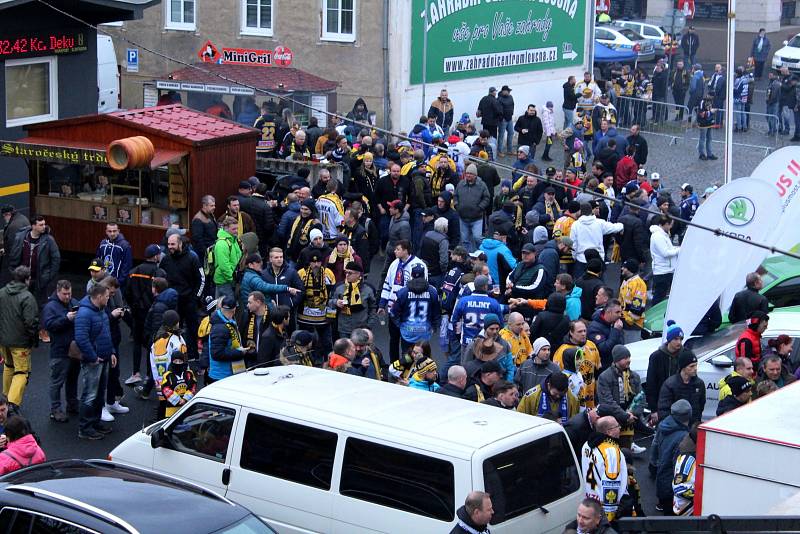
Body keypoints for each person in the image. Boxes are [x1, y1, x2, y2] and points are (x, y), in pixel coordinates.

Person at [7, 215, 60, 342]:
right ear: (33, 226)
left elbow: (56, 259)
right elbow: (14, 254)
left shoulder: (48, 240)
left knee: (41, 305)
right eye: (40, 224)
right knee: (21, 304)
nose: (44, 227)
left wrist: (48, 276)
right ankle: (22, 330)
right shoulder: (21, 237)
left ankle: (42, 331)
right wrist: (14, 273)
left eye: (44, 224)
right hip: (22, 279)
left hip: (39, 278)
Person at [74, 283, 116, 440]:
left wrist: (111, 351)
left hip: (103, 358)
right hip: (94, 361)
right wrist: (92, 357)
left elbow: (106, 333)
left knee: (99, 393)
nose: (108, 298)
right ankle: (85, 428)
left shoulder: (100, 310)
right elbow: (81, 339)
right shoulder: (85, 314)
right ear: (98, 297)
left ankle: (95, 423)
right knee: (90, 394)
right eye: (106, 296)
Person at [124, 245, 165, 385]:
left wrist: (133, 306)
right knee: (151, 344)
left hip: (137, 312)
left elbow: (127, 293)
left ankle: (135, 373)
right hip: (152, 313)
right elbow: (162, 293)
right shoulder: (159, 272)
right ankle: (149, 375)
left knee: (137, 342)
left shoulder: (134, 272)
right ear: (155, 256)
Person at [379, 240, 426, 362]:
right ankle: (393, 365)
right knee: (393, 339)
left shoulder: (418, 266)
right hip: (393, 311)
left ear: (406, 250)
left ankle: (406, 367)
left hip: (408, 313)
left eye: (398, 249)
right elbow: (387, 285)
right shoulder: (394, 264)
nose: (395, 251)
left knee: (407, 343)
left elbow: (421, 290)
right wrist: (382, 304)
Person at [41, 279, 80, 422]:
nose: (68, 297)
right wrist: (66, 318)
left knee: (72, 379)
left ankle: (72, 404)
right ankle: (55, 410)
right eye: (64, 294)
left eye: (69, 293)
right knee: (57, 382)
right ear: (58, 292)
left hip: (74, 350)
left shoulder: (73, 302)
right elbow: (50, 325)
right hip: (60, 350)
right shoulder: (50, 307)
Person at [0, 266, 39, 408]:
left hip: (3, 341)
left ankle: (4, 398)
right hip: (20, 343)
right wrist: (33, 340)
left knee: (8, 366)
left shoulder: (2, 292)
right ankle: (11, 405)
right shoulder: (27, 298)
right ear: (27, 280)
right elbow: (31, 323)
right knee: (22, 372)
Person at [581, 415, 628, 522]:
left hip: (589, 501)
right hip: (603, 507)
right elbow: (611, 483)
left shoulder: (586, 445)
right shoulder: (611, 451)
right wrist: (609, 515)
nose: (620, 428)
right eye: (617, 426)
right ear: (609, 432)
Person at [652, 399, 692, 515]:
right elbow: (678, 465)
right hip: (671, 485)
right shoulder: (683, 437)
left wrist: (653, 464)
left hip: (661, 477)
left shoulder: (663, 425)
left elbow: (654, 447)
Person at [390, 264, 440, 353]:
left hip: (407, 330)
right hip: (424, 330)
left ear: (411, 275)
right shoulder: (432, 291)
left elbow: (393, 312)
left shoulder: (403, 291)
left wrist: (400, 325)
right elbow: (436, 312)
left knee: (407, 356)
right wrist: (434, 327)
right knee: (423, 356)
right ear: (424, 275)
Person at [297, 251, 336, 362]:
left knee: (327, 342)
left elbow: (332, 295)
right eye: (313, 262)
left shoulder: (328, 273)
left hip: (323, 315)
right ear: (309, 262)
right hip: (305, 315)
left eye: (318, 262)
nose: (316, 265)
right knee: (307, 341)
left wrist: (331, 315)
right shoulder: (301, 273)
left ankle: (329, 363)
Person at [553, 320, 602, 409]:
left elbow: (598, 371)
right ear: (571, 332)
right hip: (572, 400)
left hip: (590, 399)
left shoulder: (591, 345)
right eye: (579, 331)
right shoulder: (562, 351)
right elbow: (557, 377)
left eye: (584, 331)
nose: (583, 334)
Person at [570, 202, 623, 279]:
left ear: (580, 211)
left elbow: (573, 244)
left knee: (580, 285)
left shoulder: (575, 225)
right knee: (598, 284)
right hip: (598, 258)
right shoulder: (599, 222)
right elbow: (614, 227)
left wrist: (574, 256)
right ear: (591, 211)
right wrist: (622, 225)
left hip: (581, 258)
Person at [329, 261, 377, 339]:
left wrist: (369, 325)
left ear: (358, 274)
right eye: (346, 272)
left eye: (350, 273)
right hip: (343, 328)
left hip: (361, 328)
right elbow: (329, 303)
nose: (347, 275)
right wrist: (336, 302)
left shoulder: (368, 289)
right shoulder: (339, 287)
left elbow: (373, 308)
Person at [657, 351, 705, 425]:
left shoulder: (699, 384)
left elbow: (701, 405)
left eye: (696, 365)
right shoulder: (670, 384)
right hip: (674, 427)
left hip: (692, 427)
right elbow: (664, 409)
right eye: (691, 366)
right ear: (683, 368)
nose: (695, 368)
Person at [207, 297, 247, 383]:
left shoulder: (226, 322)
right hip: (221, 376)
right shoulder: (220, 328)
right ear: (234, 309)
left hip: (226, 373)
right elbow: (217, 354)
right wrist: (240, 353)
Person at [455, 164, 490, 252]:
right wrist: (457, 206)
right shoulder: (461, 184)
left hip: (476, 218)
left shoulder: (482, 185)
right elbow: (455, 196)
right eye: (467, 173)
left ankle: (480, 253)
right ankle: (468, 258)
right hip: (463, 218)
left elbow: (486, 198)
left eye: (470, 173)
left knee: (477, 238)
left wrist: (480, 208)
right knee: (465, 240)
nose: (468, 175)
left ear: (475, 175)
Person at [587, 299, 625, 370]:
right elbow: (603, 349)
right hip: (603, 368)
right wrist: (616, 331)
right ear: (608, 312)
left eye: (620, 312)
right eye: (617, 312)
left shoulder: (615, 323)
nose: (620, 315)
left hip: (615, 366)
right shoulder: (594, 327)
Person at [650, 215, 680, 305]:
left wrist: (676, 248)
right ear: (666, 224)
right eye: (671, 225)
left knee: (660, 295)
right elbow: (665, 253)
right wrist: (679, 250)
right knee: (659, 296)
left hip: (666, 270)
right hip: (662, 271)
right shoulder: (658, 236)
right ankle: (653, 314)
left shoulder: (662, 235)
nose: (671, 227)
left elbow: (668, 249)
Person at [212, 216, 242, 300]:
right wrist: (231, 279)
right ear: (226, 228)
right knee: (226, 306)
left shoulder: (233, 240)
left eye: (237, 229)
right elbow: (224, 265)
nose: (236, 231)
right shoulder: (222, 243)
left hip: (230, 279)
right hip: (224, 280)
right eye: (233, 229)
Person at [96, 223, 133, 291]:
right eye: (110, 231)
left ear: (118, 231)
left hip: (117, 284)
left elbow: (127, 266)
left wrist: (119, 282)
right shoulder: (102, 244)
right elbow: (98, 260)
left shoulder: (125, 246)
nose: (112, 233)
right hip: (102, 281)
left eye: (114, 231)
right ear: (106, 231)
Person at [160, 352, 197, 417]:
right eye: (175, 361)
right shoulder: (167, 375)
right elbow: (165, 389)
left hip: (187, 407)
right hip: (171, 410)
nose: (178, 363)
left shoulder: (189, 373)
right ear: (172, 362)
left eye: (180, 361)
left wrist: (185, 399)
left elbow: (192, 386)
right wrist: (178, 400)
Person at [418, 216, 449, 287]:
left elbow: (420, 248)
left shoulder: (427, 234)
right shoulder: (443, 241)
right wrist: (444, 271)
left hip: (425, 269)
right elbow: (444, 260)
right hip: (436, 274)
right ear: (444, 228)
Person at [619, 259, 647, 330]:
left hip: (633, 323)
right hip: (624, 318)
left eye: (624, 267)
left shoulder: (639, 284)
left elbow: (638, 304)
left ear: (629, 269)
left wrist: (630, 319)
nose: (622, 268)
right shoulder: (626, 281)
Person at [696, 96, 717, 160]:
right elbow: (701, 114)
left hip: (709, 122)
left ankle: (709, 154)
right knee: (702, 139)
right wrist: (711, 112)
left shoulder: (711, 101)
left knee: (709, 138)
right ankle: (701, 154)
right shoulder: (702, 102)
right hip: (703, 123)